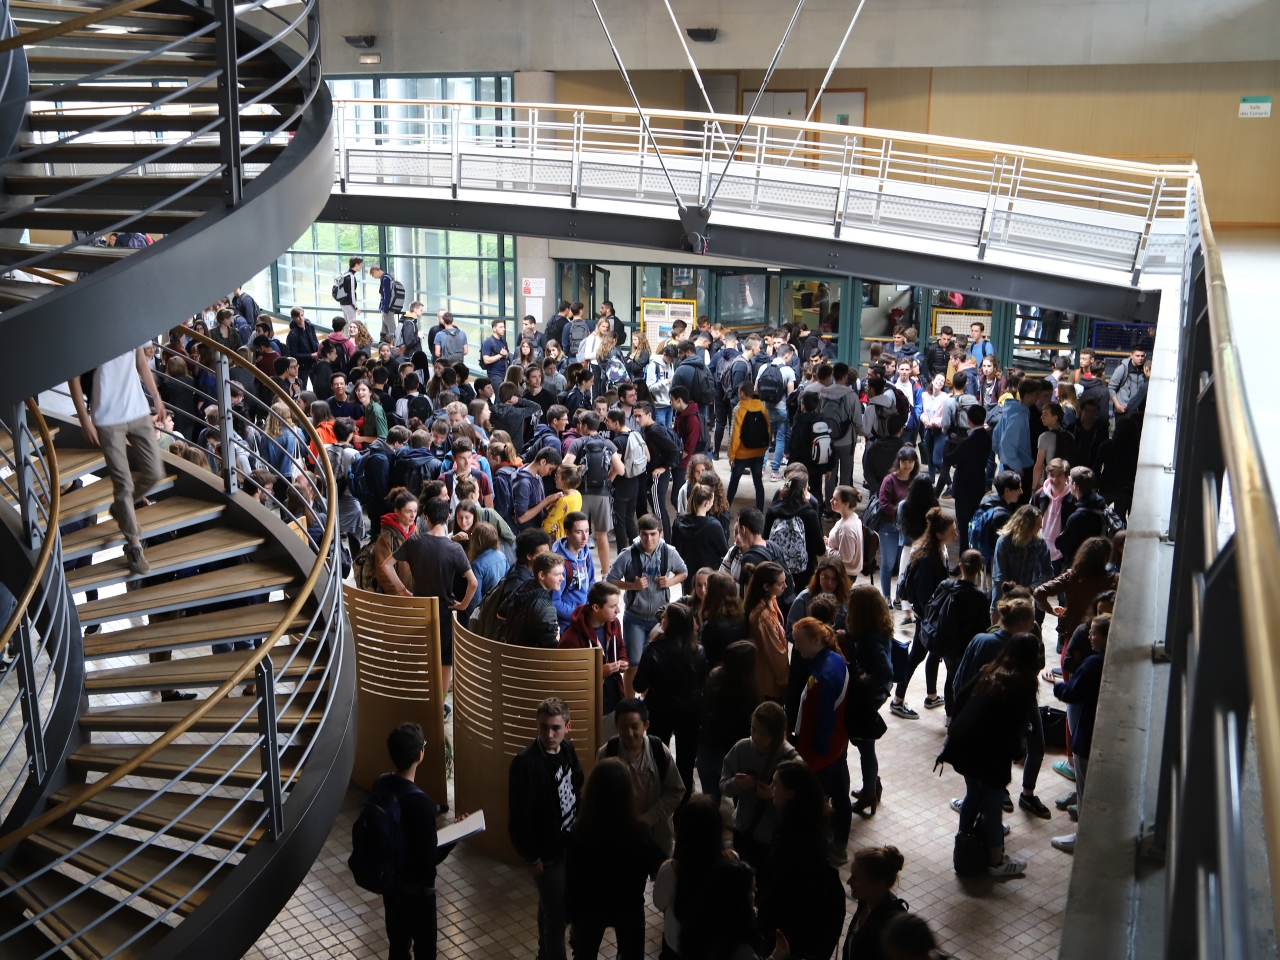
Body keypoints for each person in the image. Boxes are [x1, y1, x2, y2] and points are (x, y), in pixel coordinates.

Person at [937, 632, 1042, 876]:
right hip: (988, 750)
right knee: (994, 803)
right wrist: (1018, 752)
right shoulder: (1022, 684)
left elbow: (962, 695)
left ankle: (964, 843)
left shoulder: (991, 669)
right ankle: (996, 861)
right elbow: (1015, 727)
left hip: (963, 743)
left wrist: (953, 731)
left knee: (973, 793)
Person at [67, 346, 168, 575]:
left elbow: (141, 362)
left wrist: (156, 397)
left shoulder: (125, 324)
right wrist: (84, 418)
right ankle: (133, 545)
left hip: (138, 410)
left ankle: (120, 509)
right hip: (106, 416)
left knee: (154, 473)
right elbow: (72, 376)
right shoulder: (87, 334)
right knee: (123, 484)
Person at [369, 722, 464, 960]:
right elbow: (428, 858)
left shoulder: (380, 783)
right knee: (425, 950)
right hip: (419, 891)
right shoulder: (423, 804)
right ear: (420, 754)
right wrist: (455, 835)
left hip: (391, 884)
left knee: (398, 945)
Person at [566, 757, 667, 960]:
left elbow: (572, 876)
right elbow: (660, 861)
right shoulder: (637, 830)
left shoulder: (581, 829)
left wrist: (572, 918)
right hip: (629, 906)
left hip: (590, 906)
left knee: (584, 955)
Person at [509, 698, 583, 960]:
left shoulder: (568, 749)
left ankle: (543, 954)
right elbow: (520, 818)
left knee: (549, 905)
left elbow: (577, 784)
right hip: (547, 853)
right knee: (557, 918)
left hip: (568, 845)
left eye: (555, 728)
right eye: (543, 728)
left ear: (567, 727)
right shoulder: (525, 764)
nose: (549, 735)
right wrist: (532, 856)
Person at [382, 497, 477, 694]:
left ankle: (421, 696)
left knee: (421, 656)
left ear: (426, 518)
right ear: (449, 516)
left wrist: (403, 590)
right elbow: (473, 583)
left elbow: (387, 566)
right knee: (445, 661)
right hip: (443, 611)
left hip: (419, 609)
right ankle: (440, 704)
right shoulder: (455, 548)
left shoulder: (414, 541)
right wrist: (462, 605)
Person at [756, 759, 846, 960]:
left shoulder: (799, 837)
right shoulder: (801, 821)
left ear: (791, 793)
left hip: (792, 923)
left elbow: (783, 888)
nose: (771, 788)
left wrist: (757, 910)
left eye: (776, 784)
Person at [1046, 612, 1111, 853]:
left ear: (1106, 636)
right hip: (1106, 736)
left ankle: (1082, 839)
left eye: (1094, 632)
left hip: (1089, 734)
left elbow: (1073, 693)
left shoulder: (1094, 663)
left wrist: (1058, 686)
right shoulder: (1114, 659)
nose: (1090, 636)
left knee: (1084, 791)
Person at [634, 602, 707, 805]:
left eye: (664, 617)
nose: (661, 619)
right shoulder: (698, 650)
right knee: (686, 760)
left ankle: (657, 799)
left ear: (672, 623)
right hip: (691, 711)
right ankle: (682, 806)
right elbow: (702, 683)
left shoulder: (654, 648)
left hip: (659, 708)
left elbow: (639, 684)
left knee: (657, 756)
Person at [792, 618, 852, 863]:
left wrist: (813, 754)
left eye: (799, 641)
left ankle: (824, 848)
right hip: (836, 746)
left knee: (819, 803)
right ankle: (839, 844)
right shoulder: (834, 659)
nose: (796, 647)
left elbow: (824, 719)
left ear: (816, 640)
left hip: (821, 753)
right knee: (840, 794)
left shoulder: (822, 677)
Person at [890, 507, 957, 719]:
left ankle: (931, 696)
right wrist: (931, 616)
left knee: (930, 654)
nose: (956, 534)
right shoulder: (929, 559)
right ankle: (898, 700)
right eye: (952, 531)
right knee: (916, 657)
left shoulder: (934, 550)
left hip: (929, 617)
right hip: (927, 618)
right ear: (939, 534)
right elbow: (924, 592)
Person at [597, 698, 686, 855]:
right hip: (620, 835)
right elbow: (599, 794)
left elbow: (676, 791)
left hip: (657, 834)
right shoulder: (607, 752)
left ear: (646, 725)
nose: (629, 733)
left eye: (634, 727)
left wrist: (648, 819)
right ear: (616, 725)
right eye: (623, 727)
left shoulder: (659, 750)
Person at [607, 514, 688, 685]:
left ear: (661, 533)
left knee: (657, 664)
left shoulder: (669, 552)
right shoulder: (628, 554)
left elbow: (683, 572)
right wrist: (631, 586)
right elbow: (610, 579)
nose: (648, 539)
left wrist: (670, 581)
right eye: (644, 534)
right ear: (639, 533)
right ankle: (630, 706)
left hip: (661, 620)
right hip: (634, 618)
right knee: (633, 665)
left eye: (653, 534)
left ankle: (648, 704)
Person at [652, 795, 732, 960]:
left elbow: (659, 903)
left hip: (677, 946)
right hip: (716, 947)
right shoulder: (732, 861)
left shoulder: (670, 870)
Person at [720, 701, 797, 867]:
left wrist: (773, 797)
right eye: (753, 729)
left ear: (776, 735)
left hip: (771, 837)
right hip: (742, 828)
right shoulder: (742, 748)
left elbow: (800, 807)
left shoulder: (791, 760)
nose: (755, 737)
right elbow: (724, 785)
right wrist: (736, 784)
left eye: (763, 734)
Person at [1035, 535, 1118, 654]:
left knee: (1071, 667)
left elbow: (1039, 592)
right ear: (1106, 558)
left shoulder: (1071, 576)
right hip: (1102, 635)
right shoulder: (1114, 580)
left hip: (1073, 634)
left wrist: (1049, 609)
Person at [559, 581, 628, 717]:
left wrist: (622, 659)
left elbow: (620, 646)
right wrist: (599, 672)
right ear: (596, 607)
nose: (618, 610)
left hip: (613, 697)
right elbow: (567, 678)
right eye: (613, 606)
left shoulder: (614, 623)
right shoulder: (571, 638)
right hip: (587, 706)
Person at [839, 846, 910, 960]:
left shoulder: (887, 928)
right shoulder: (866, 901)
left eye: (856, 878)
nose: (848, 882)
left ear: (878, 885)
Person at [763, 464, 825, 587]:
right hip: (805, 573)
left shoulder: (772, 510)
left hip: (776, 571)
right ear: (803, 490)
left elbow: (765, 539)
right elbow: (820, 549)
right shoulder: (809, 514)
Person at [990, 504, 1052, 620]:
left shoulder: (1039, 543)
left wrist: (1030, 588)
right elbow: (999, 578)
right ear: (1026, 525)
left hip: (1025, 600)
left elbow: (1048, 573)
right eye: (1037, 524)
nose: (1041, 527)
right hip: (1006, 600)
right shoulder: (1004, 542)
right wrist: (994, 609)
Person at [875, 446, 919, 605]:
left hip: (908, 530)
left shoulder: (916, 480)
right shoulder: (889, 480)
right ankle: (886, 596)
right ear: (898, 462)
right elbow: (883, 503)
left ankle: (899, 596)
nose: (907, 465)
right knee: (888, 563)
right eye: (904, 462)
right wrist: (901, 511)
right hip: (889, 527)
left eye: (910, 462)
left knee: (905, 564)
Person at [670, 483, 729, 597]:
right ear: (707, 503)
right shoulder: (713, 525)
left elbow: (674, 548)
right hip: (708, 578)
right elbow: (724, 552)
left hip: (687, 576)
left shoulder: (679, 521)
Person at [496, 551, 565, 648]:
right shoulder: (546, 607)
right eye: (557, 574)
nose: (562, 578)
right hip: (532, 660)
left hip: (510, 653)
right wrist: (557, 631)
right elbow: (552, 647)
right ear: (541, 575)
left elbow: (500, 614)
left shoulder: (523, 588)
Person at [728, 380, 770, 510]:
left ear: (741, 393)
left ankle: (725, 508)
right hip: (758, 452)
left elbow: (735, 434)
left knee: (734, 481)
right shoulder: (762, 407)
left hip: (742, 452)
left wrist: (732, 454)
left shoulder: (738, 409)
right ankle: (760, 509)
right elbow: (768, 428)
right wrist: (765, 448)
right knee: (758, 482)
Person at [1054, 465, 1107, 562]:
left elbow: (1060, 543)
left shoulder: (1077, 517)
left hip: (1078, 562)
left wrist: (1061, 535)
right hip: (1096, 558)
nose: (1067, 483)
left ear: (1075, 485)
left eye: (1069, 481)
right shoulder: (1100, 502)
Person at [698, 570, 750, 668]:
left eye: (707, 589)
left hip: (717, 674)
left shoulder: (711, 626)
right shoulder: (743, 617)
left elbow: (705, 656)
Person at [1033, 458, 1076, 573]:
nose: (1055, 479)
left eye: (1059, 475)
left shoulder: (1073, 499)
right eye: (1051, 475)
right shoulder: (1039, 495)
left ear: (1067, 477)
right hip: (1040, 551)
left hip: (1061, 556)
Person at [826, 485, 864, 581]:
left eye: (835, 499)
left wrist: (827, 548)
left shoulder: (847, 527)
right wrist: (830, 542)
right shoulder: (851, 517)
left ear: (846, 504)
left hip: (844, 575)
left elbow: (845, 557)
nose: (831, 501)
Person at [1108, 346, 1149, 418]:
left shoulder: (1146, 370)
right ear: (1131, 355)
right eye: (1137, 356)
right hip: (1124, 410)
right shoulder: (1122, 368)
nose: (1140, 358)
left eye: (1142, 356)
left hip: (1140, 411)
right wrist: (1118, 406)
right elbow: (1111, 388)